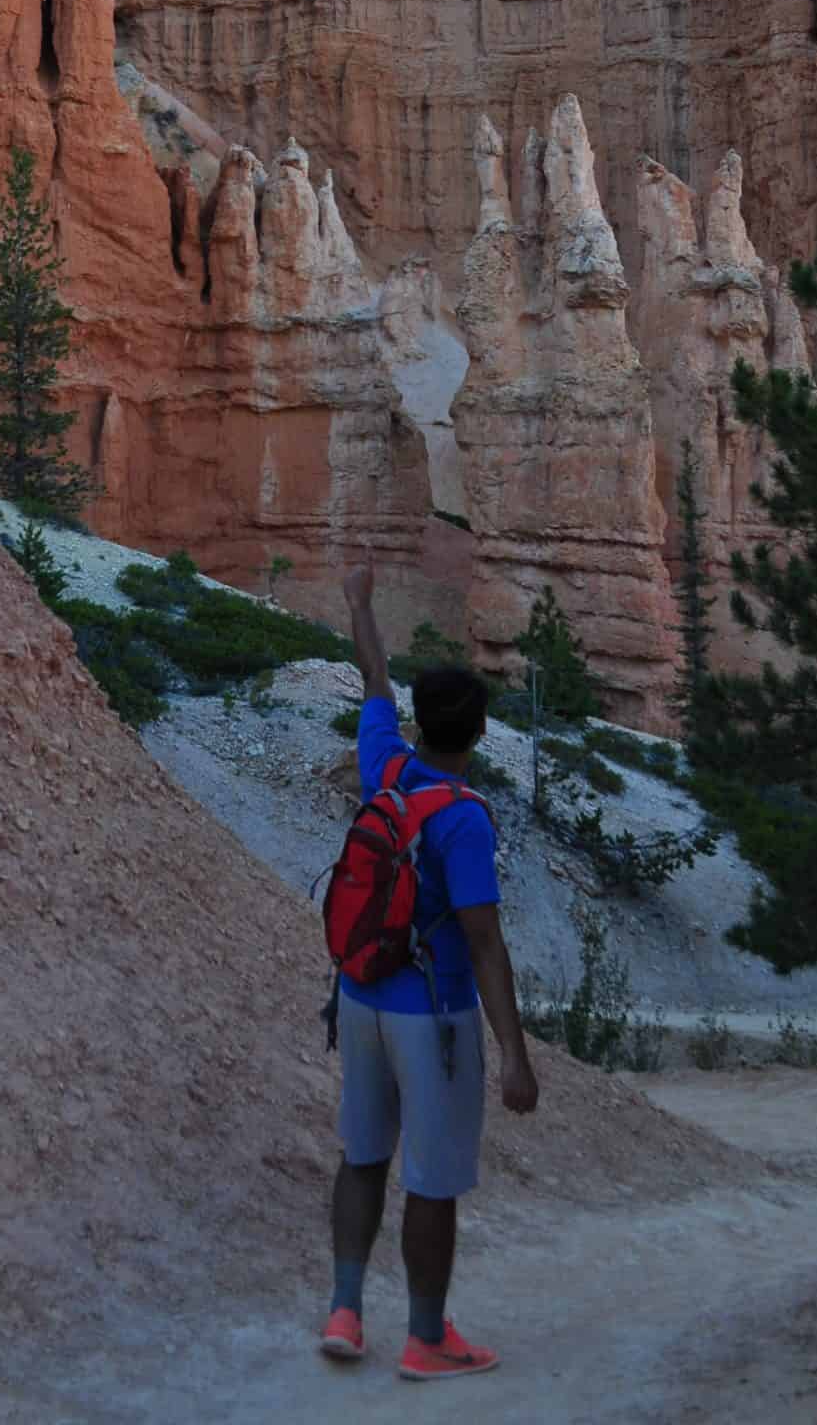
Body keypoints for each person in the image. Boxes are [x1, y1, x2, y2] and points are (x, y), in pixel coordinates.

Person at [322, 565, 538, 1381]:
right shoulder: (464, 821)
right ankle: (425, 1336)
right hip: (431, 1014)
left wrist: (361, 604)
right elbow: (484, 942)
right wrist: (514, 1055)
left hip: (358, 993)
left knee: (363, 1155)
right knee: (433, 1180)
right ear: (478, 733)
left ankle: (345, 1308)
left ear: (418, 724)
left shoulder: (386, 765)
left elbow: (374, 673)